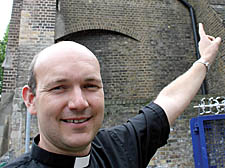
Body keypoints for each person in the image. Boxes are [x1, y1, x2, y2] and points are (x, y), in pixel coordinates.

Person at [4, 23, 221, 168]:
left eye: (90, 86)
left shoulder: (120, 147)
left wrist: (205, 59)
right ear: (30, 99)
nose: (79, 102)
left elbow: (169, 102)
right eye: (59, 88)